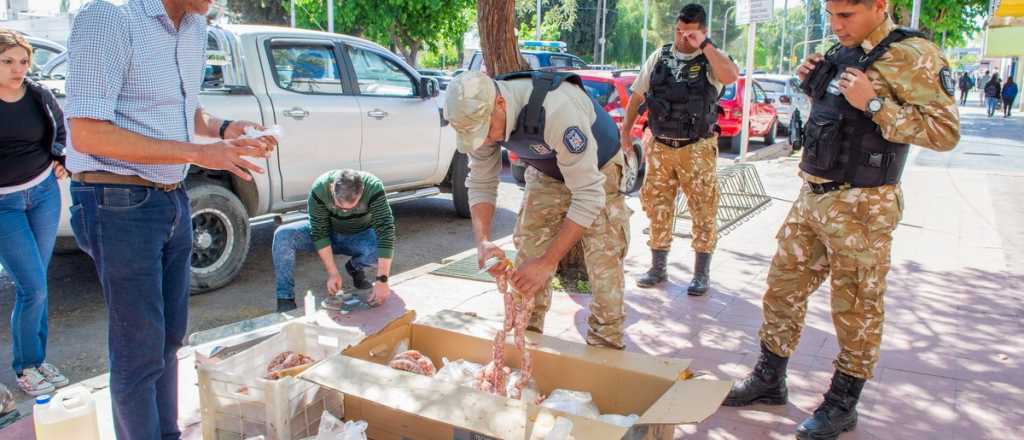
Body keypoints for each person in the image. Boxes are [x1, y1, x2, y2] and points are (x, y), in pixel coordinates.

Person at [720, 1, 960, 439]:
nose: (835, 25)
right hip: (812, 194)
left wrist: (874, 105)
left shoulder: (914, 54)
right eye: (830, 14)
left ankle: (843, 403)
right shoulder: (841, 50)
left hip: (863, 205)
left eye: (845, 15)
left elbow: (944, 132)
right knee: (781, 290)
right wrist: (813, 84)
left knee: (857, 308)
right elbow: (833, 117)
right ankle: (769, 379)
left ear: (879, 6)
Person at [64, 0, 277, 438]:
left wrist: (224, 130)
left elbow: (181, 112)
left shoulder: (195, 26)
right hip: (116, 199)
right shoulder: (110, 17)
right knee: (138, 348)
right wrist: (199, 153)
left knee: (169, 339)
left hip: (171, 197)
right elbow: (87, 129)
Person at [444, 70, 631, 349]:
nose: (482, 141)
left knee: (602, 265)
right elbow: (481, 181)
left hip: (597, 171)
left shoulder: (557, 109)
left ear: (500, 104)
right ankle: (524, 344)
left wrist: (549, 262)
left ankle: (606, 349)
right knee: (527, 259)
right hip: (546, 171)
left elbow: (588, 196)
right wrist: (482, 241)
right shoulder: (479, 121)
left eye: (484, 132)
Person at [620, 3, 739, 295]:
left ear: (703, 32)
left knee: (703, 209)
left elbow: (730, 76)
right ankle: (657, 267)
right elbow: (637, 95)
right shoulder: (660, 56)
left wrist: (705, 45)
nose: (682, 37)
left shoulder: (711, 59)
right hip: (661, 147)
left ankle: (701, 274)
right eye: (679, 31)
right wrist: (625, 132)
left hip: (696, 148)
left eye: (690, 33)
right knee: (657, 207)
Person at [0, 29, 70, 398]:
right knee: (32, 287)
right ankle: (26, 367)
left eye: (23, 61)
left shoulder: (38, 95)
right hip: (4, 205)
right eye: (8, 61)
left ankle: (38, 360)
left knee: (38, 284)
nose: (17, 69)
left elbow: (61, 132)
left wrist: (62, 158)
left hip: (42, 194)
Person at [273, 169, 395, 312]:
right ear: (332, 188)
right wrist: (333, 273)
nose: (344, 211)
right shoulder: (320, 188)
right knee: (283, 235)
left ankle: (355, 267)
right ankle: (285, 298)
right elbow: (319, 233)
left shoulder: (373, 187)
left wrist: (382, 280)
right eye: (339, 206)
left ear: (362, 191)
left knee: (379, 251)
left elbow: (386, 231)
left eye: (352, 207)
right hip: (328, 234)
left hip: (358, 235)